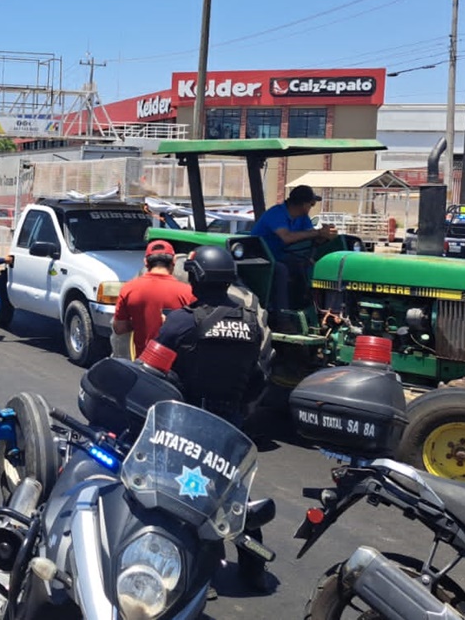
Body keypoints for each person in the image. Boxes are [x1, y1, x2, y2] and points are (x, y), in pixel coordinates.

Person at [153, 245, 273, 594]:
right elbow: (258, 378)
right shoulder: (250, 324)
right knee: (233, 495)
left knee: (178, 493)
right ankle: (254, 569)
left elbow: (151, 367)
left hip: (187, 420)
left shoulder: (180, 321)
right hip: (231, 422)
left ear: (195, 278)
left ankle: (183, 568)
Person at [250, 185, 336, 315]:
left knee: (311, 267)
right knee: (281, 270)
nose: (312, 207)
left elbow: (309, 235)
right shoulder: (276, 214)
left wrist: (325, 235)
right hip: (260, 257)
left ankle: (314, 309)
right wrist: (318, 233)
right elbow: (286, 237)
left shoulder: (302, 217)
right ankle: (282, 316)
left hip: (284, 256)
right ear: (303, 204)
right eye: (312, 204)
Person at [112, 239, 196, 355]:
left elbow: (119, 328)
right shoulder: (188, 292)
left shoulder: (129, 289)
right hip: (176, 365)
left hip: (144, 364)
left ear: (146, 262)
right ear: (174, 261)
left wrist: (140, 321)